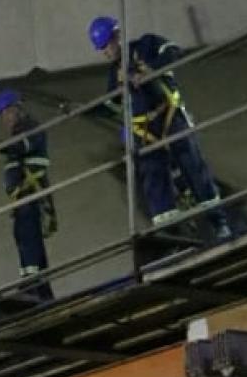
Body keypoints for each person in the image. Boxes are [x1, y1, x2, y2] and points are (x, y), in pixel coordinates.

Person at [88, 16, 232, 240]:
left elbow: (173, 51)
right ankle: (172, 235)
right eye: (101, 48)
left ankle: (219, 222)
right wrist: (87, 109)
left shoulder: (146, 45)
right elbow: (111, 104)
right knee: (156, 183)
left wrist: (147, 71)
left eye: (106, 45)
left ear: (117, 36)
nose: (104, 52)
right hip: (146, 134)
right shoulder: (114, 75)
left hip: (170, 118)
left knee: (194, 168)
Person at [0, 93, 56, 303]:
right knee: (29, 240)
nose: (6, 119)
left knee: (28, 239)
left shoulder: (28, 127)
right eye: (3, 115)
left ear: (18, 109)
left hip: (29, 195)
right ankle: (41, 289)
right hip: (24, 197)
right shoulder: (20, 131)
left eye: (8, 112)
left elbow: (22, 146)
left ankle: (31, 286)